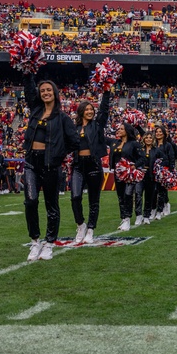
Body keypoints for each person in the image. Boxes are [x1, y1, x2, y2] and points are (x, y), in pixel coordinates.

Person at [22, 75, 80, 262]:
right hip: (31, 163)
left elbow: (75, 142)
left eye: (49, 90)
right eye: (42, 91)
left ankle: (49, 243)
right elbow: (29, 90)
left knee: (51, 205)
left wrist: (58, 154)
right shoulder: (35, 111)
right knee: (30, 201)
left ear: (55, 94)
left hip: (51, 166)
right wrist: (27, 72)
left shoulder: (62, 118)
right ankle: (35, 240)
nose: (45, 93)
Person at [71, 87, 112, 244]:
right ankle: (81, 225)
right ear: (80, 111)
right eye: (86, 109)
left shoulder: (97, 126)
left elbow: (104, 111)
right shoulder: (74, 128)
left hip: (94, 165)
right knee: (75, 197)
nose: (89, 111)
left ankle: (90, 229)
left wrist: (106, 91)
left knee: (94, 200)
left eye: (91, 109)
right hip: (77, 166)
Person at [111, 123, 146, 231]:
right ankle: (124, 218)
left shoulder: (134, 144)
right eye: (119, 128)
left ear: (127, 131)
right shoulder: (115, 143)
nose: (119, 130)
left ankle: (127, 218)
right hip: (118, 174)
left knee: (128, 195)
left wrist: (134, 165)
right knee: (121, 196)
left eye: (122, 129)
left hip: (129, 174)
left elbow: (142, 158)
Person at [152, 125, 177, 217]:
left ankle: (165, 206)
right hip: (153, 171)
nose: (158, 133)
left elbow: (172, 157)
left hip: (164, 171)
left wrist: (170, 170)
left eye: (160, 132)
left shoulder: (168, 145)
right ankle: (155, 209)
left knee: (162, 191)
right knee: (154, 191)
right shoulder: (153, 144)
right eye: (157, 132)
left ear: (164, 134)